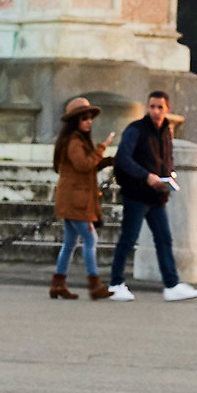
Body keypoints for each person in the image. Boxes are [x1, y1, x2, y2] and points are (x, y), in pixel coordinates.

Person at [107, 89, 197, 302]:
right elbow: (122, 158)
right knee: (128, 239)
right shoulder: (136, 129)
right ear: (147, 107)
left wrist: (169, 176)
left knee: (164, 239)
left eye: (160, 107)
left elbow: (166, 157)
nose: (156, 111)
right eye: (152, 107)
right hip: (136, 194)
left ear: (167, 109)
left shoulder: (166, 131)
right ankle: (115, 283)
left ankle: (171, 284)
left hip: (157, 196)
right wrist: (145, 176)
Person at [50, 96, 110, 300]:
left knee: (69, 242)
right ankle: (94, 285)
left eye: (90, 117)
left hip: (74, 197)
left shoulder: (77, 140)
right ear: (75, 121)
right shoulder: (74, 141)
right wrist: (101, 150)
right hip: (75, 199)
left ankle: (58, 284)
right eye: (84, 118)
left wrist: (106, 160)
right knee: (90, 239)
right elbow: (84, 165)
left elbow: (88, 167)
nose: (89, 121)